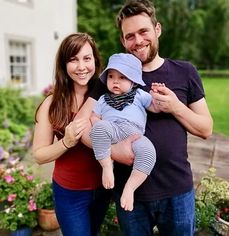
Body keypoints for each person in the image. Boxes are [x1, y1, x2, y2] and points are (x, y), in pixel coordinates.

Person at [85, 0, 213, 235]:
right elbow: (84, 125)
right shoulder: (110, 78)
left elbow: (206, 129)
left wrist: (176, 106)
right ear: (123, 41)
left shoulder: (185, 72)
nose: (138, 41)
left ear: (157, 29)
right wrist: (114, 152)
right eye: (130, 36)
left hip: (177, 191)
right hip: (130, 193)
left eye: (143, 31)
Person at [32, 33, 111, 236]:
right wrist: (66, 143)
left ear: (95, 60)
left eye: (87, 58)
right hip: (70, 193)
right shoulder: (52, 103)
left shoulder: (108, 95)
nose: (81, 66)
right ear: (64, 65)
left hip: (103, 188)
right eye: (73, 60)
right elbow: (39, 155)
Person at [90, 53, 161, 211]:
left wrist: (157, 95)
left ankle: (130, 188)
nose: (115, 81)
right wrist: (97, 123)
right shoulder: (103, 99)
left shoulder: (139, 95)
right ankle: (107, 166)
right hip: (113, 130)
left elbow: (155, 107)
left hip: (135, 135)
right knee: (99, 128)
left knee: (148, 152)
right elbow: (94, 116)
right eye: (111, 76)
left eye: (122, 77)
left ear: (133, 81)